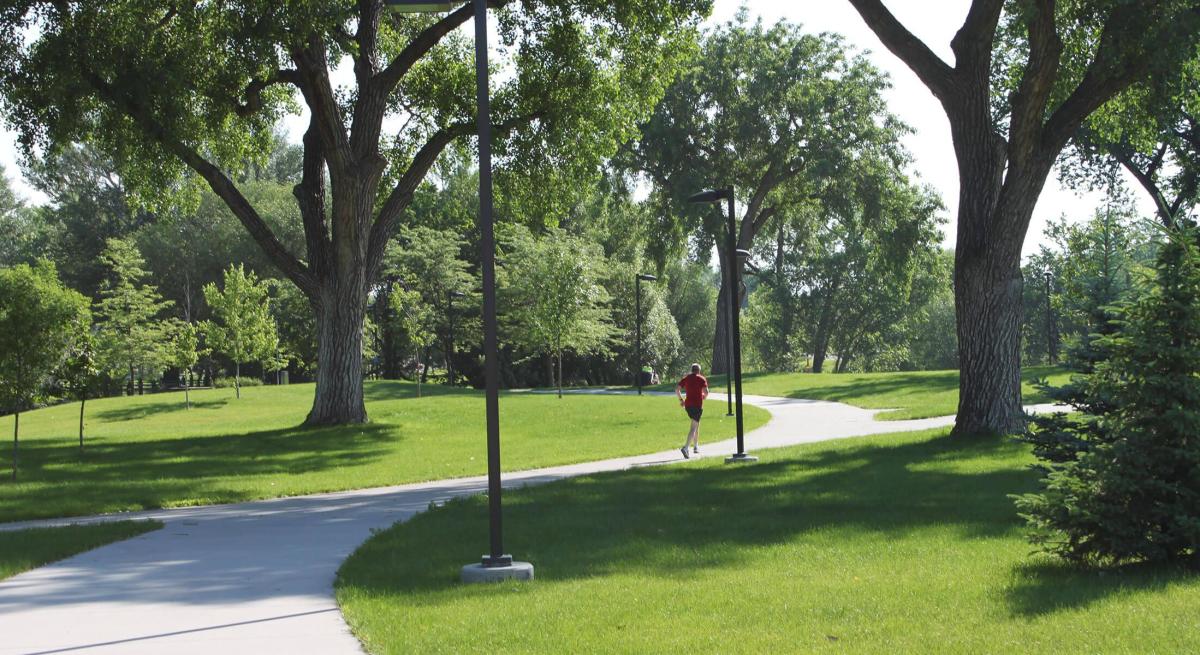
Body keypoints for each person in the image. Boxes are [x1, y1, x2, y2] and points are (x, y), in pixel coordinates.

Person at [676, 363, 708, 458]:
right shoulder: (701, 379)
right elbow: (706, 392)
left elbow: (677, 390)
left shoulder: (686, 378)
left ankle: (695, 446)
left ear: (691, 370)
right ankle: (685, 448)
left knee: (696, 423)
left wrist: (681, 400)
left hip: (688, 406)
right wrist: (703, 396)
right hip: (697, 405)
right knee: (693, 427)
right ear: (698, 370)